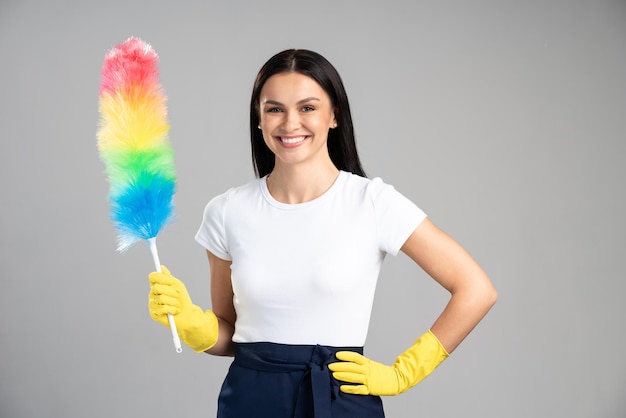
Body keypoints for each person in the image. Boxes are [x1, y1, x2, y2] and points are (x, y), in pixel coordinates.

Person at [148, 49, 497, 418]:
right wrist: (190, 323)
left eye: (308, 108)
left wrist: (403, 373)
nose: (290, 123)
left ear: (334, 116)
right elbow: (229, 335)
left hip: (339, 400)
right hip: (249, 401)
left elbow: (477, 290)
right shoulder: (226, 211)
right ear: (259, 119)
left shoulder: (372, 202)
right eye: (274, 108)